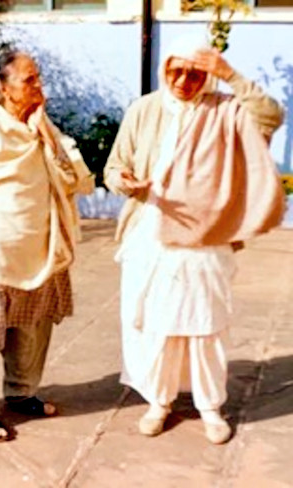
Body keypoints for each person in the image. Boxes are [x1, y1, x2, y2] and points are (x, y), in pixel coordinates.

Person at [104, 35, 285, 444]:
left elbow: (271, 114)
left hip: (206, 240)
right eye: (176, 70)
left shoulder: (224, 109)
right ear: (164, 68)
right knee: (156, 327)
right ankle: (159, 401)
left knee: (206, 326)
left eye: (195, 72)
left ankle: (210, 407)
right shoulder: (144, 110)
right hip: (149, 234)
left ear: (207, 74)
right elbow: (114, 167)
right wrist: (126, 182)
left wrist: (229, 75)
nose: (184, 79)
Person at [0, 51, 93, 441]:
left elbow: (74, 178)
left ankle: (21, 392)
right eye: (29, 79)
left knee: (32, 328)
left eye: (38, 77)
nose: (37, 86)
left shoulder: (42, 127)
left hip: (39, 244)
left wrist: (45, 134)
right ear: (2, 87)